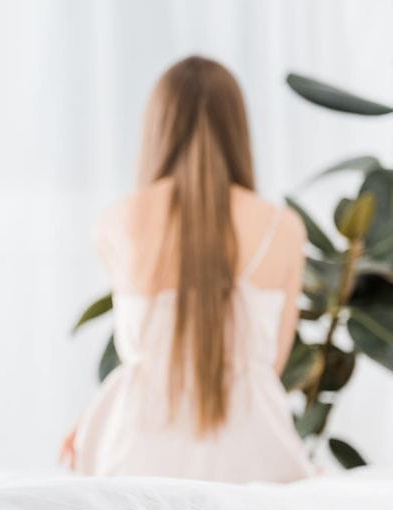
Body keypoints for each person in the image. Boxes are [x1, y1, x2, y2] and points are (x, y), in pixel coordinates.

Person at [61, 56, 315, 483]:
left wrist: (92, 423)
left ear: (158, 128)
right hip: (256, 458)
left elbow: (141, 358)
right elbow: (273, 362)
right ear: (237, 128)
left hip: (136, 456)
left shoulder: (115, 222)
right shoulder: (284, 228)